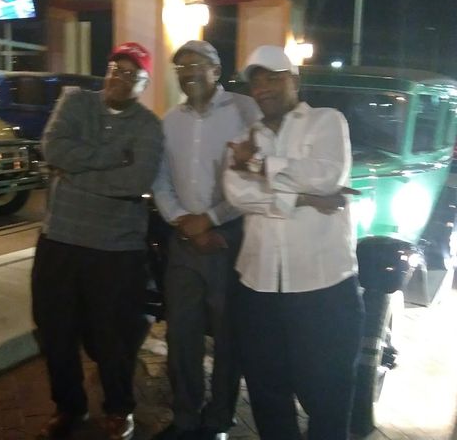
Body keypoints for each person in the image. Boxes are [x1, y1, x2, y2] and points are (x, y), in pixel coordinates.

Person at [223, 45, 364, 440]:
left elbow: (327, 175)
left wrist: (259, 166)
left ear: (294, 80)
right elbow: (237, 195)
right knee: (267, 392)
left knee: (329, 393)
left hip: (323, 286)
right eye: (256, 81)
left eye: (273, 77)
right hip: (259, 288)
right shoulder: (244, 138)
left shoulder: (326, 121)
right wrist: (303, 198)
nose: (263, 87)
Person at [31, 41, 163, 440]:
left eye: (132, 74)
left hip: (116, 249)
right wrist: (112, 157)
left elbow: (136, 181)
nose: (121, 78)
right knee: (54, 331)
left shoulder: (148, 126)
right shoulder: (75, 102)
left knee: (112, 337)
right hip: (59, 239)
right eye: (116, 69)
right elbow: (52, 148)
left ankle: (119, 408)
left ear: (144, 84)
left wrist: (73, 174)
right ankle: (68, 406)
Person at [151, 40, 261, 440]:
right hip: (183, 240)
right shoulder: (170, 121)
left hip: (230, 238)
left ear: (217, 70)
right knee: (181, 334)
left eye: (197, 64)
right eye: (181, 67)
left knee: (228, 333)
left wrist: (211, 220)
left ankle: (219, 418)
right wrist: (182, 221)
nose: (189, 72)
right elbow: (160, 180)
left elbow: (255, 177)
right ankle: (185, 415)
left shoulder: (245, 111)